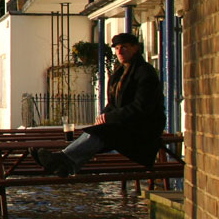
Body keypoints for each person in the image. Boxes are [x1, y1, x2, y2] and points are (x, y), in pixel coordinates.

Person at [35, 32, 166, 177]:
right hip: (125, 125)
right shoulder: (119, 73)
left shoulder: (144, 72)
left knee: (101, 133)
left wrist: (110, 117)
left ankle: (64, 160)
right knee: (97, 130)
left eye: (124, 47)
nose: (120, 51)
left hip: (144, 128)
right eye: (117, 48)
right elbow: (113, 103)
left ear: (135, 48)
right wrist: (104, 116)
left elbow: (142, 107)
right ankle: (65, 163)